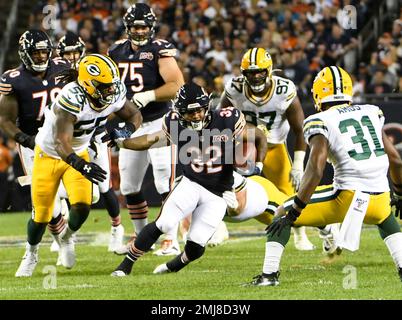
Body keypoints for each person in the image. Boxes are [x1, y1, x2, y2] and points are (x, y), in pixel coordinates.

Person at [251, 66, 402, 286]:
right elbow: (395, 159)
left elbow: (316, 169)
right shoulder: (372, 111)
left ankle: (268, 276)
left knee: (282, 210)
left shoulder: (320, 119)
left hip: (346, 198)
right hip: (380, 198)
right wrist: (399, 192)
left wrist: (296, 210)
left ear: (319, 92)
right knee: (386, 218)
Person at [108, 82, 267, 277]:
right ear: (179, 111)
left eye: (199, 111)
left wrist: (258, 166)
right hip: (191, 183)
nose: (196, 116)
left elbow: (259, 137)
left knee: (196, 244)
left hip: (218, 192)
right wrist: (123, 142)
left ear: (206, 106)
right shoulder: (175, 125)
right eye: (189, 113)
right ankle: (125, 265)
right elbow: (148, 140)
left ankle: (173, 266)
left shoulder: (227, 120)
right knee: (164, 223)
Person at [14, 53, 142, 277]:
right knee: (42, 215)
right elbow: (61, 142)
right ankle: (31, 252)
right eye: (105, 86)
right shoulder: (72, 96)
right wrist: (82, 165)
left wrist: (126, 131)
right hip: (50, 154)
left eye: (112, 85)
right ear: (89, 84)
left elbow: (135, 115)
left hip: (78, 150)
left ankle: (66, 237)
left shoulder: (113, 90)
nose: (111, 90)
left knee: (83, 204)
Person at [220, 47, 315, 251]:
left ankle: (300, 233)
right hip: (243, 147)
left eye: (260, 71)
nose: (255, 77)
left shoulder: (284, 90)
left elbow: (300, 130)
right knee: (227, 189)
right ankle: (216, 224)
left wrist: (298, 164)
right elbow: (220, 120)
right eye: (251, 72)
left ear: (269, 70)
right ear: (243, 73)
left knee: (289, 194)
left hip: (274, 147)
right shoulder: (234, 88)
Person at [108, 3, 184, 254]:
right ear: (127, 27)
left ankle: (171, 239)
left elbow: (176, 85)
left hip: (160, 122)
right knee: (128, 185)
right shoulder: (116, 51)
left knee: (165, 182)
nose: (140, 31)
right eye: (135, 26)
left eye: (143, 26)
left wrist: (150, 95)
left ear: (151, 27)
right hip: (132, 125)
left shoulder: (160, 49)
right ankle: (142, 238)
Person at [0, 29, 71, 258]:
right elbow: (5, 120)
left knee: (91, 195)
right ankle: (62, 243)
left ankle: (66, 227)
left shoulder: (63, 67)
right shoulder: (14, 80)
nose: (41, 57)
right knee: (47, 203)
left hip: (65, 138)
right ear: (24, 53)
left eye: (44, 52)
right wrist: (26, 140)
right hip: (34, 144)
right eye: (36, 52)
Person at [56, 31, 125, 252]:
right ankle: (64, 232)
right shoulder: (54, 75)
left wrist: (97, 128)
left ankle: (117, 228)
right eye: (68, 53)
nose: (73, 57)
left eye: (76, 52)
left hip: (93, 135)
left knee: (104, 185)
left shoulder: (98, 73)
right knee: (60, 188)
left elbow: (113, 107)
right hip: (67, 139)